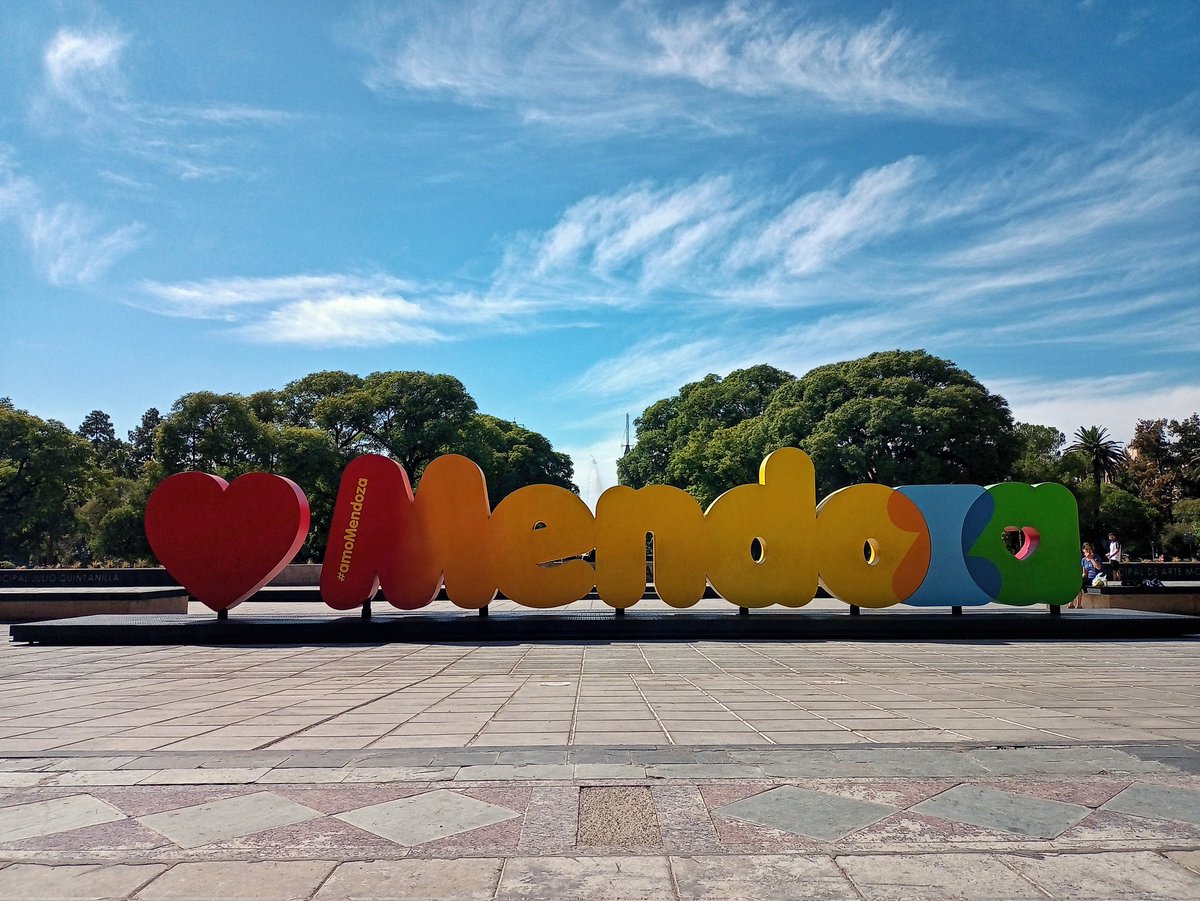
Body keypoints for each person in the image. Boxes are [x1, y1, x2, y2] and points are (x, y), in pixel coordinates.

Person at [1070, 543, 1102, 608]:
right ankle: (1071, 604)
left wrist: (1091, 559)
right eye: (1086, 549)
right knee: (1076, 584)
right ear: (1083, 550)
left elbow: (1098, 567)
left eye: (1090, 549)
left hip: (1096, 578)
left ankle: (1078, 605)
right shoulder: (1083, 560)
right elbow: (1084, 573)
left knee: (1079, 585)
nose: (1088, 551)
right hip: (1088, 578)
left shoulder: (1096, 558)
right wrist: (1079, 578)